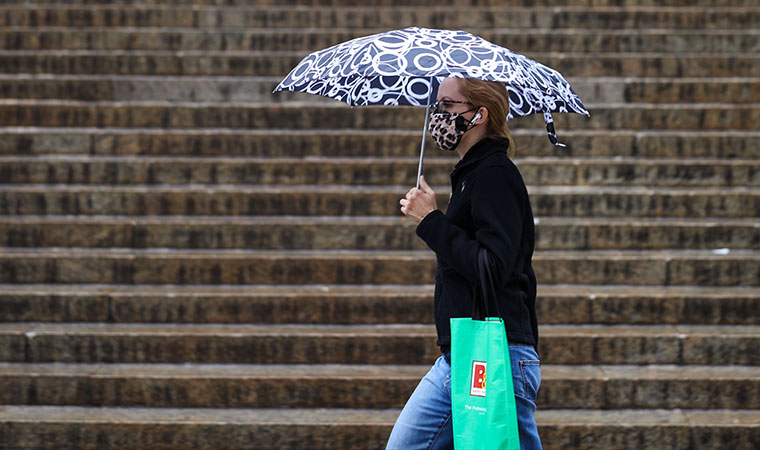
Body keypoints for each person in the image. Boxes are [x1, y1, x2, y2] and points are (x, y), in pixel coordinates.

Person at [387, 76, 542, 450]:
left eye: (447, 105)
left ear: (479, 115)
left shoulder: (494, 176)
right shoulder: (474, 176)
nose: (436, 115)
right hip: (469, 351)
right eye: (436, 105)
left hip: (493, 355)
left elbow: (492, 266)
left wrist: (432, 221)